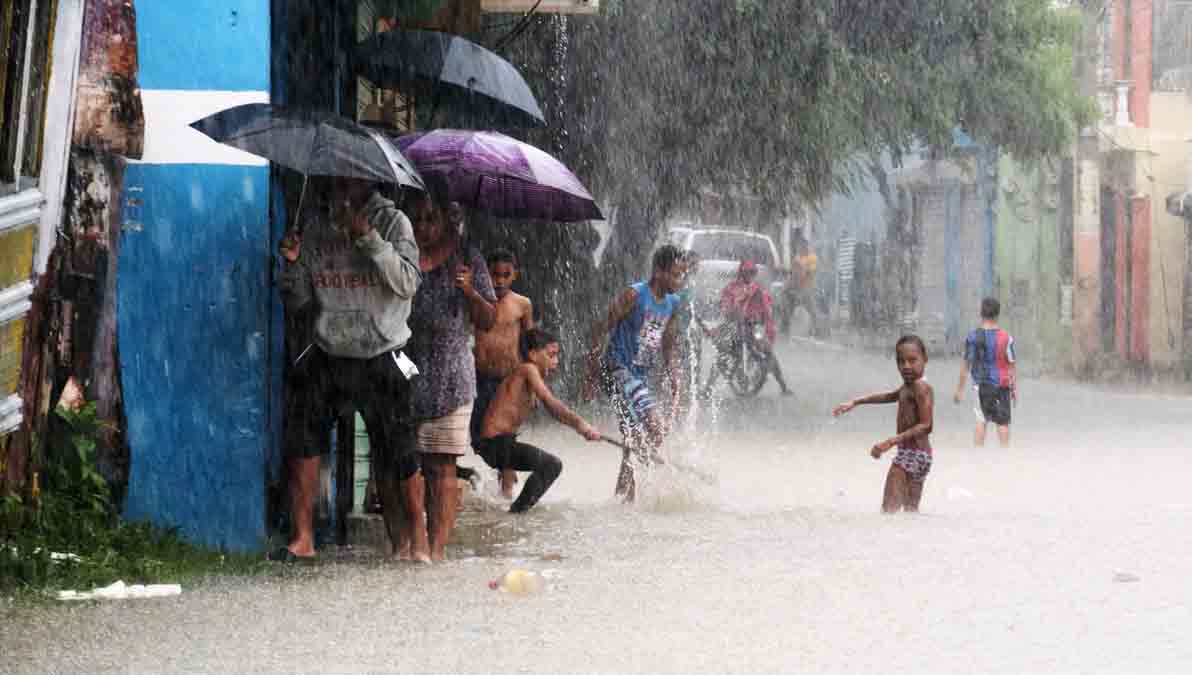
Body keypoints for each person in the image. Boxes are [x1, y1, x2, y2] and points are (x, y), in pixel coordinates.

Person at [274, 177, 428, 562]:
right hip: (330, 350)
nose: (339, 187)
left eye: (348, 178)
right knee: (304, 440)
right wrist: (292, 268)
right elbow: (299, 300)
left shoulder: (395, 223)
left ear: (365, 180)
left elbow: (408, 282)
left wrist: (368, 236)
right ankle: (303, 538)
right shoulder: (315, 226)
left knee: (398, 453)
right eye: (335, 179)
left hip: (383, 351)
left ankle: (416, 542)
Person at [404, 195, 497, 562]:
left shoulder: (467, 257)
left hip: (450, 375)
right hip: (405, 369)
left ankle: (437, 549)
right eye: (419, 220)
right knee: (407, 463)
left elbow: (488, 318)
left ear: (446, 221)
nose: (424, 227)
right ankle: (415, 543)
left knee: (442, 464)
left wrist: (470, 290)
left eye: (431, 219)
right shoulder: (403, 251)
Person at [583, 245, 685, 502]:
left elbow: (669, 346)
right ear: (659, 272)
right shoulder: (634, 295)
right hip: (616, 369)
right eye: (675, 274)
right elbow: (600, 329)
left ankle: (623, 499)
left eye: (682, 275)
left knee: (635, 437)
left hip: (637, 378)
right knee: (652, 427)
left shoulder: (673, 304)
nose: (679, 280)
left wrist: (674, 377)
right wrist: (591, 375)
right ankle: (629, 488)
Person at [477, 328, 602, 512]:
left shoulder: (525, 375)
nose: (556, 362)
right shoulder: (528, 369)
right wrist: (581, 425)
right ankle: (517, 513)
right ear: (533, 354)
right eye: (551, 355)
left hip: (499, 444)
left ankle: (515, 509)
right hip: (495, 444)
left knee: (546, 464)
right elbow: (551, 403)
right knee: (551, 465)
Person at [832, 335, 935, 513]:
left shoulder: (920, 387)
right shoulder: (909, 387)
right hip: (922, 456)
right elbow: (888, 396)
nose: (906, 366)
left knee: (888, 512)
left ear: (925, 359)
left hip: (910, 454)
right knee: (910, 513)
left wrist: (890, 442)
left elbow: (927, 425)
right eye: (901, 361)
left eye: (912, 360)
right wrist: (855, 402)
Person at [471, 248, 534, 499]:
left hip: (509, 379)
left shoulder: (522, 304)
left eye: (506, 275)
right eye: (494, 275)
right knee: (479, 439)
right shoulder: (476, 302)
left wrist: (533, 384)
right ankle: (502, 471)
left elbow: (531, 345)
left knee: (506, 434)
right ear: (484, 274)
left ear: (514, 275)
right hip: (480, 377)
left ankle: (507, 493)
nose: (499, 281)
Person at [702, 260, 792, 397]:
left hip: (751, 327)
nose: (750, 275)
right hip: (734, 326)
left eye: (753, 272)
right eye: (748, 272)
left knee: (769, 352)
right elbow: (725, 308)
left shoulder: (758, 289)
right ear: (742, 273)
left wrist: (765, 322)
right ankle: (708, 388)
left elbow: (766, 309)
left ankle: (783, 386)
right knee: (723, 354)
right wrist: (732, 310)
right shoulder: (731, 288)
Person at [954, 297, 1017, 447]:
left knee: (981, 420)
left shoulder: (973, 337)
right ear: (997, 314)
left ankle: (979, 459)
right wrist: (1013, 388)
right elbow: (1012, 365)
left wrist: (959, 390)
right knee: (1003, 421)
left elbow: (966, 365)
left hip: (981, 385)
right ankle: (1005, 456)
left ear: (981, 313)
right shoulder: (1006, 338)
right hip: (1002, 384)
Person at [782, 239, 819, 337]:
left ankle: (817, 329)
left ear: (806, 246)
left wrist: (800, 269)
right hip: (796, 287)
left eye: (802, 246)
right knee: (788, 307)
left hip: (807, 288)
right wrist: (787, 286)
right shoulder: (798, 257)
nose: (800, 249)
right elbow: (793, 273)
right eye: (799, 247)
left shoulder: (812, 257)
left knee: (812, 311)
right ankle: (785, 328)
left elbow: (810, 272)